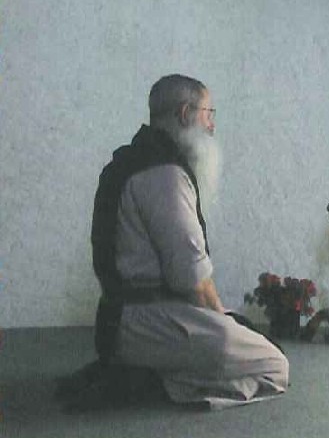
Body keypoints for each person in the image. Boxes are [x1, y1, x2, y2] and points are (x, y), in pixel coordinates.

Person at [58, 74, 288, 411]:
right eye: (209, 113)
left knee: (243, 334)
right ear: (185, 114)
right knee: (274, 364)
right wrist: (224, 323)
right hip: (145, 323)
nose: (212, 125)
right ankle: (149, 383)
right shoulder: (163, 175)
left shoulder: (132, 160)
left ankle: (140, 370)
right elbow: (192, 281)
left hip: (121, 318)